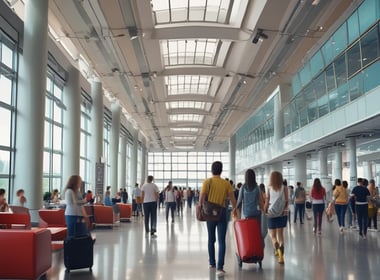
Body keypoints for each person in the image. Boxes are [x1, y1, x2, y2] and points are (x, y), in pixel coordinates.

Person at [198, 161, 237, 277]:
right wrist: (235, 209)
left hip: (209, 213)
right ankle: (220, 268)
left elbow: (201, 200)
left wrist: (200, 209)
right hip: (222, 213)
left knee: (211, 239)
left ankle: (212, 263)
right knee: (221, 241)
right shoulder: (226, 184)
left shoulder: (207, 182)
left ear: (212, 170)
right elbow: (233, 200)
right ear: (221, 170)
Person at [264, 171, 288, 264]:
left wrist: (265, 210)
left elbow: (267, 201)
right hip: (282, 213)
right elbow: (286, 200)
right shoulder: (284, 187)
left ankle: (276, 248)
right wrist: (285, 210)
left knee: (272, 235)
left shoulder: (269, 188)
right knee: (280, 235)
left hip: (271, 213)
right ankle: (281, 253)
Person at [235, 169, 264, 245]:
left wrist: (234, 210)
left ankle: (249, 247)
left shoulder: (243, 187)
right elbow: (261, 202)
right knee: (257, 231)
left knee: (248, 232)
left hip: (246, 214)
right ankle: (258, 247)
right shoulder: (257, 187)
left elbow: (239, 201)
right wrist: (264, 211)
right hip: (256, 213)